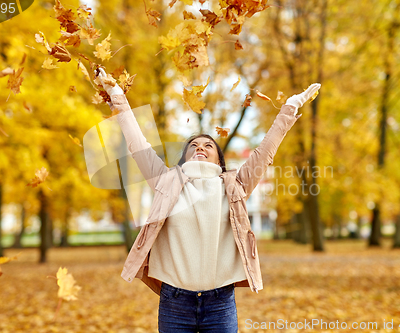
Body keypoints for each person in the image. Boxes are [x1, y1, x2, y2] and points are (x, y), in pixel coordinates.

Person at [96, 68, 320, 333]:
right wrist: (117, 95)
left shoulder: (235, 185)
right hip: (174, 302)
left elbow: (265, 152)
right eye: (193, 145)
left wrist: (289, 108)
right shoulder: (166, 182)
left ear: (219, 160)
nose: (200, 147)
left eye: (208, 145)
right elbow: (138, 144)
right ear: (184, 158)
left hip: (220, 302)